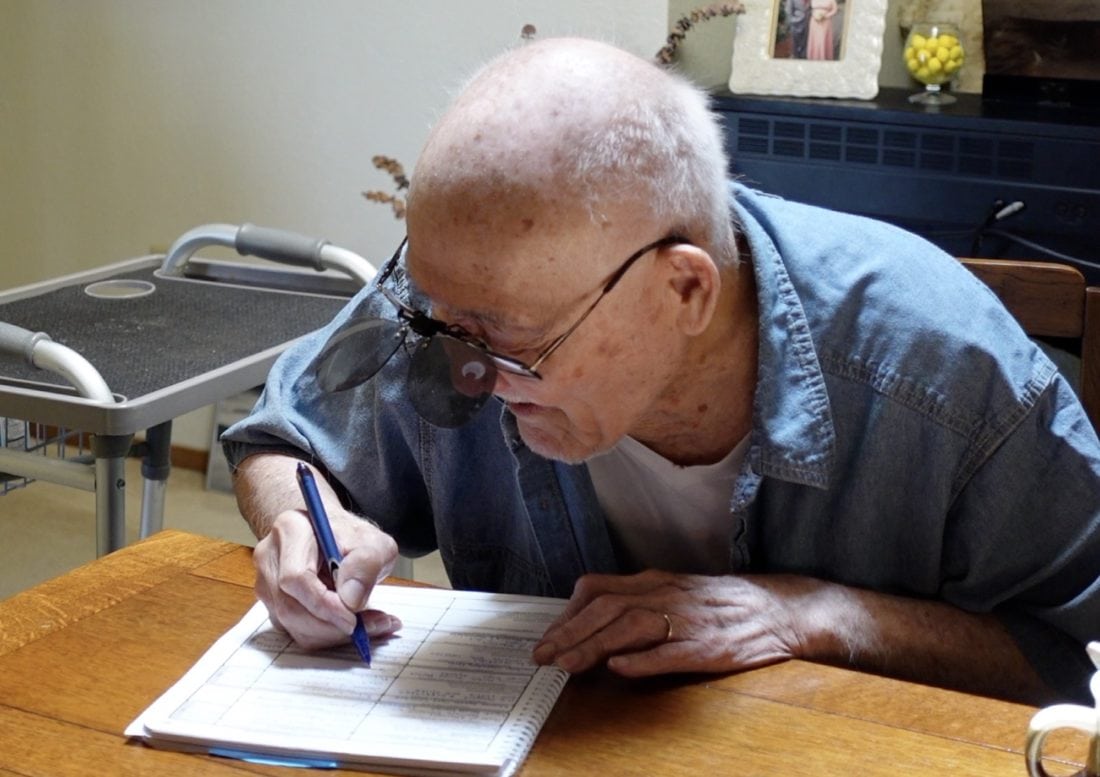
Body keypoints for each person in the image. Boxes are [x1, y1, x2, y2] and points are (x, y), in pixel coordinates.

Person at [223, 37, 1100, 705]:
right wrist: (300, 522)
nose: (466, 371)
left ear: (682, 289)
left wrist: (821, 617)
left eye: (510, 340)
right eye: (439, 318)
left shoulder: (945, 373)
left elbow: (1076, 656)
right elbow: (282, 433)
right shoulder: (459, 304)